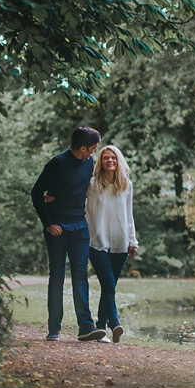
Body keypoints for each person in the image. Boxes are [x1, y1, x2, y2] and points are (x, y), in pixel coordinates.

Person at [30, 127, 107, 342]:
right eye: (92, 149)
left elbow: (84, 190)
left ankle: (86, 327)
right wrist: (48, 224)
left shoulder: (88, 163)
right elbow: (36, 193)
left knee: (80, 275)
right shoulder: (57, 163)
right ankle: (54, 329)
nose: (93, 152)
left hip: (79, 226)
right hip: (58, 227)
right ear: (82, 148)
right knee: (57, 276)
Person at [84, 144, 138, 343]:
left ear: (119, 160)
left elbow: (129, 215)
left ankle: (100, 328)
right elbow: (78, 204)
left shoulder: (126, 185)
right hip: (96, 241)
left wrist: (133, 241)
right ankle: (114, 323)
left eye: (113, 158)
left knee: (110, 286)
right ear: (101, 162)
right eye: (106, 158)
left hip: (120, 242)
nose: (110, 161)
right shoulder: (92, 185)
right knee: (108, 283)